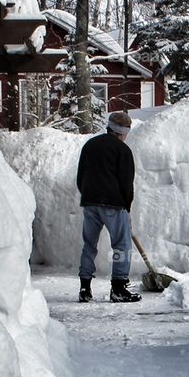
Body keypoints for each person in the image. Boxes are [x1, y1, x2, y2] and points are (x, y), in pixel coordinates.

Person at [76, 109, 142, 304]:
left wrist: (87, 194)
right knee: (122, 245)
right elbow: (126, 182)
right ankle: (119, 288)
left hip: (89, 202)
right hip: (113, 204)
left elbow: (81, 176)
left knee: (89, 245)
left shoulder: (90, 145)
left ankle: (85, 288)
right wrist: (126, 206)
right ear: (122, 132)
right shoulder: (122, 150)